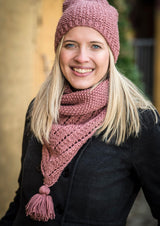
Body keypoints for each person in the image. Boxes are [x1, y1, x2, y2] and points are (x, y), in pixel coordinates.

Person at [0, 0, 160, 225]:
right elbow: (22, 199)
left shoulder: (138, 123)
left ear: (110, 54)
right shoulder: (38, 110)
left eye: (95, 46)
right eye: (71, 45)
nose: (81, 57)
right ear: (59, 50)